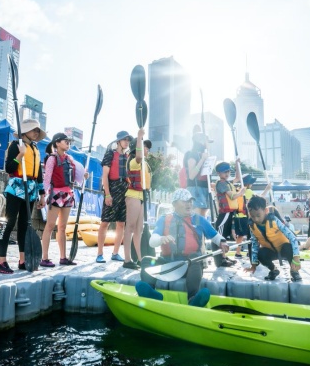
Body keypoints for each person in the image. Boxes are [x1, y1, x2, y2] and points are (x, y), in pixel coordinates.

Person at [136, 188, 230, 307]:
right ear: (175, 204)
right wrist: (161, 239)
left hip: (188, 264)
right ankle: (150, 293)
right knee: (146, 261)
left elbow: (216, 236)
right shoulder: (164, 219)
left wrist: (222, 242)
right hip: (168, 264)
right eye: (185, 201)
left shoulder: (199, 219)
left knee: (196, 258)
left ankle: (193, 298)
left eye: (190, 201)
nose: (189, 204)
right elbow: (152, 242)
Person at [0, 119, 46, 274]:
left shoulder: (35, 149)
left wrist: (42, 194)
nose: (36, 133)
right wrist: (20, 154)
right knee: (9, 222)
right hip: (16, 187)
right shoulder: (15, 145)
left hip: (30, 190)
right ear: (25, 131)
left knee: (25, 225)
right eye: (34, 130)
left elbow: (38, 174)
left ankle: (23, 260)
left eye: (38, 130)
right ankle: (1, 262)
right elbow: (9, 168)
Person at [40, 133, 86, 268]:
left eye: (69, 141)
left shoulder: (70, 158)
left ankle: (63, 257)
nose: (68, 143)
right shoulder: (52, 159)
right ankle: (45, 257)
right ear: (57, 143)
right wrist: (43, 195)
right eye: (65, 141)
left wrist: (84, 175)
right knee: (49, 226)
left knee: (62, 227)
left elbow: (77, 177)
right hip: (55, 193)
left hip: (68, 194)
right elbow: (47, 178)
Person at [244, 196, 302, 281]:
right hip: (270, 252)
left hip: (283, 249)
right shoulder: (252, 226)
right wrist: (253, 265)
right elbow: (255, 245)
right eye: (252, 216)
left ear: (266, 211)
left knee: (288, 247)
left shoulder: (274, 220)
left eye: (258, 215)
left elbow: (292, 237)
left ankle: (294, 271)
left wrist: (296, 257)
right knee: (260, 253)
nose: (256, 219)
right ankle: (273, 270)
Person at [96, 131, 131, 263]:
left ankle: (115, 253)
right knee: (105, 222)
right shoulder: (110, 154)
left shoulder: (128, 156)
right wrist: (107, 194)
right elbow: (105, 176)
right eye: (124, 139)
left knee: (121, 223)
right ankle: (99, 253)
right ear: (118, 141)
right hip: (112, 188)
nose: (127, 142)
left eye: (128, 140)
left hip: (125, 191)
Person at [123, 128, 151, 270]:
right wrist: (139, 137)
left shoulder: (145, 164)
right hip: (133, 195)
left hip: (141, 196)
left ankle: (139, 259)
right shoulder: (134, 160)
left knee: (139, 229)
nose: (147, 150)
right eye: (145, 147)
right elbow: (139, 156)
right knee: (130, 227)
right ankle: (127, 259)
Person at [213, 159, 245, 267]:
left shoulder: (227, 183)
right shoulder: (221, 184)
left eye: (228, 172)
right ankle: (221, 259)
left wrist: (237, 165)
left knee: (224, 237)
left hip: (229, 213)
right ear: (219, 173)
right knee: (221, 236)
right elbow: (232, 196)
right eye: (224, 172)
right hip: (224, 214)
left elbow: (238, 177)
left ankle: (224, 257)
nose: (227, 174)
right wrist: (240, 193)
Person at [233, 174, 271, 259]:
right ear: (248, 183)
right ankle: (251, 252)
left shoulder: (238, 190)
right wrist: (267, 189)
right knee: (253, 234)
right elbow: (259, 199)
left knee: (240, 235)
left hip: (238, 216)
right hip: (246, 217)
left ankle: (238, 253)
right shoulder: (248, 191)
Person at [184, 132, 212, 217]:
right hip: (195, 188)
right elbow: (191, 175)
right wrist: (202, 160)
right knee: (196, 218)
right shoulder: (192, 154)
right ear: (201, 142)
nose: (208, 144)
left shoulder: (204, 155)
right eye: (207, 142)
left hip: (205, 188)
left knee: (203, 218)